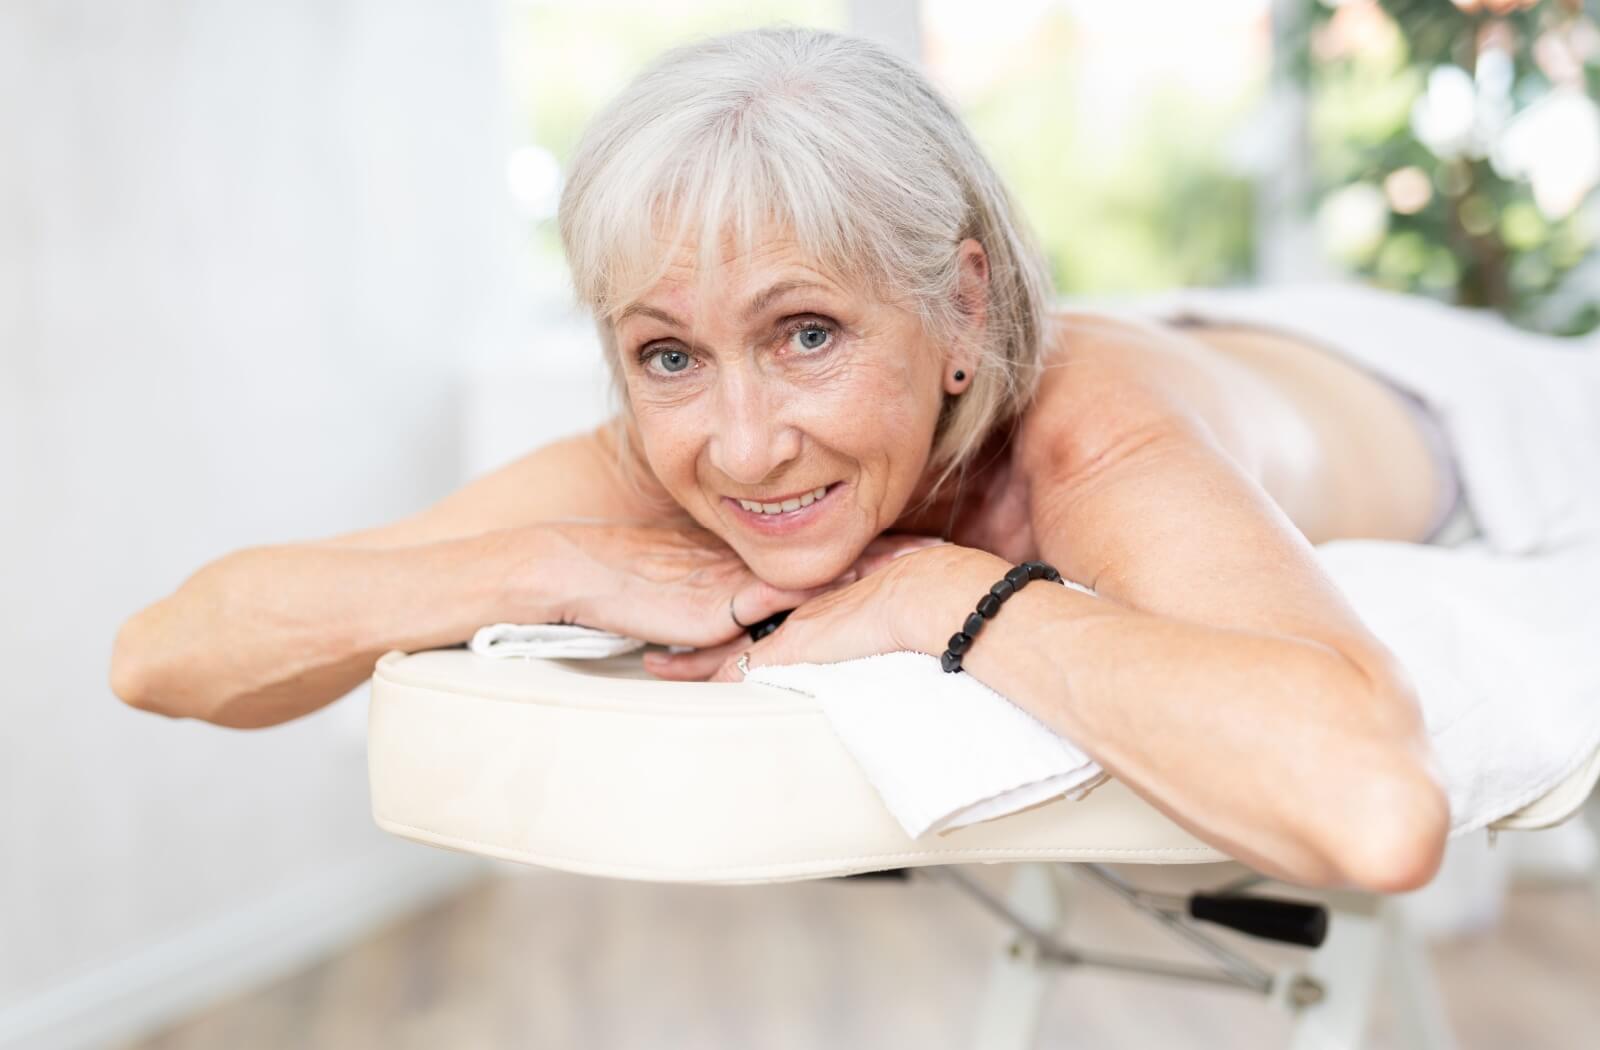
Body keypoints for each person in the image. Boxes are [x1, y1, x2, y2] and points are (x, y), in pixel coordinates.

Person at [111, 26, 1452, 893]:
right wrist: (544, 564)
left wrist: (948, 596)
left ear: (962, 309)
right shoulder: (662, 457)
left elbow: (1376, 808)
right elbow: (165, 656)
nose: (744, 447)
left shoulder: (1091, 440)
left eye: (806, 334)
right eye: (668, 353)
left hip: (1430, 395)